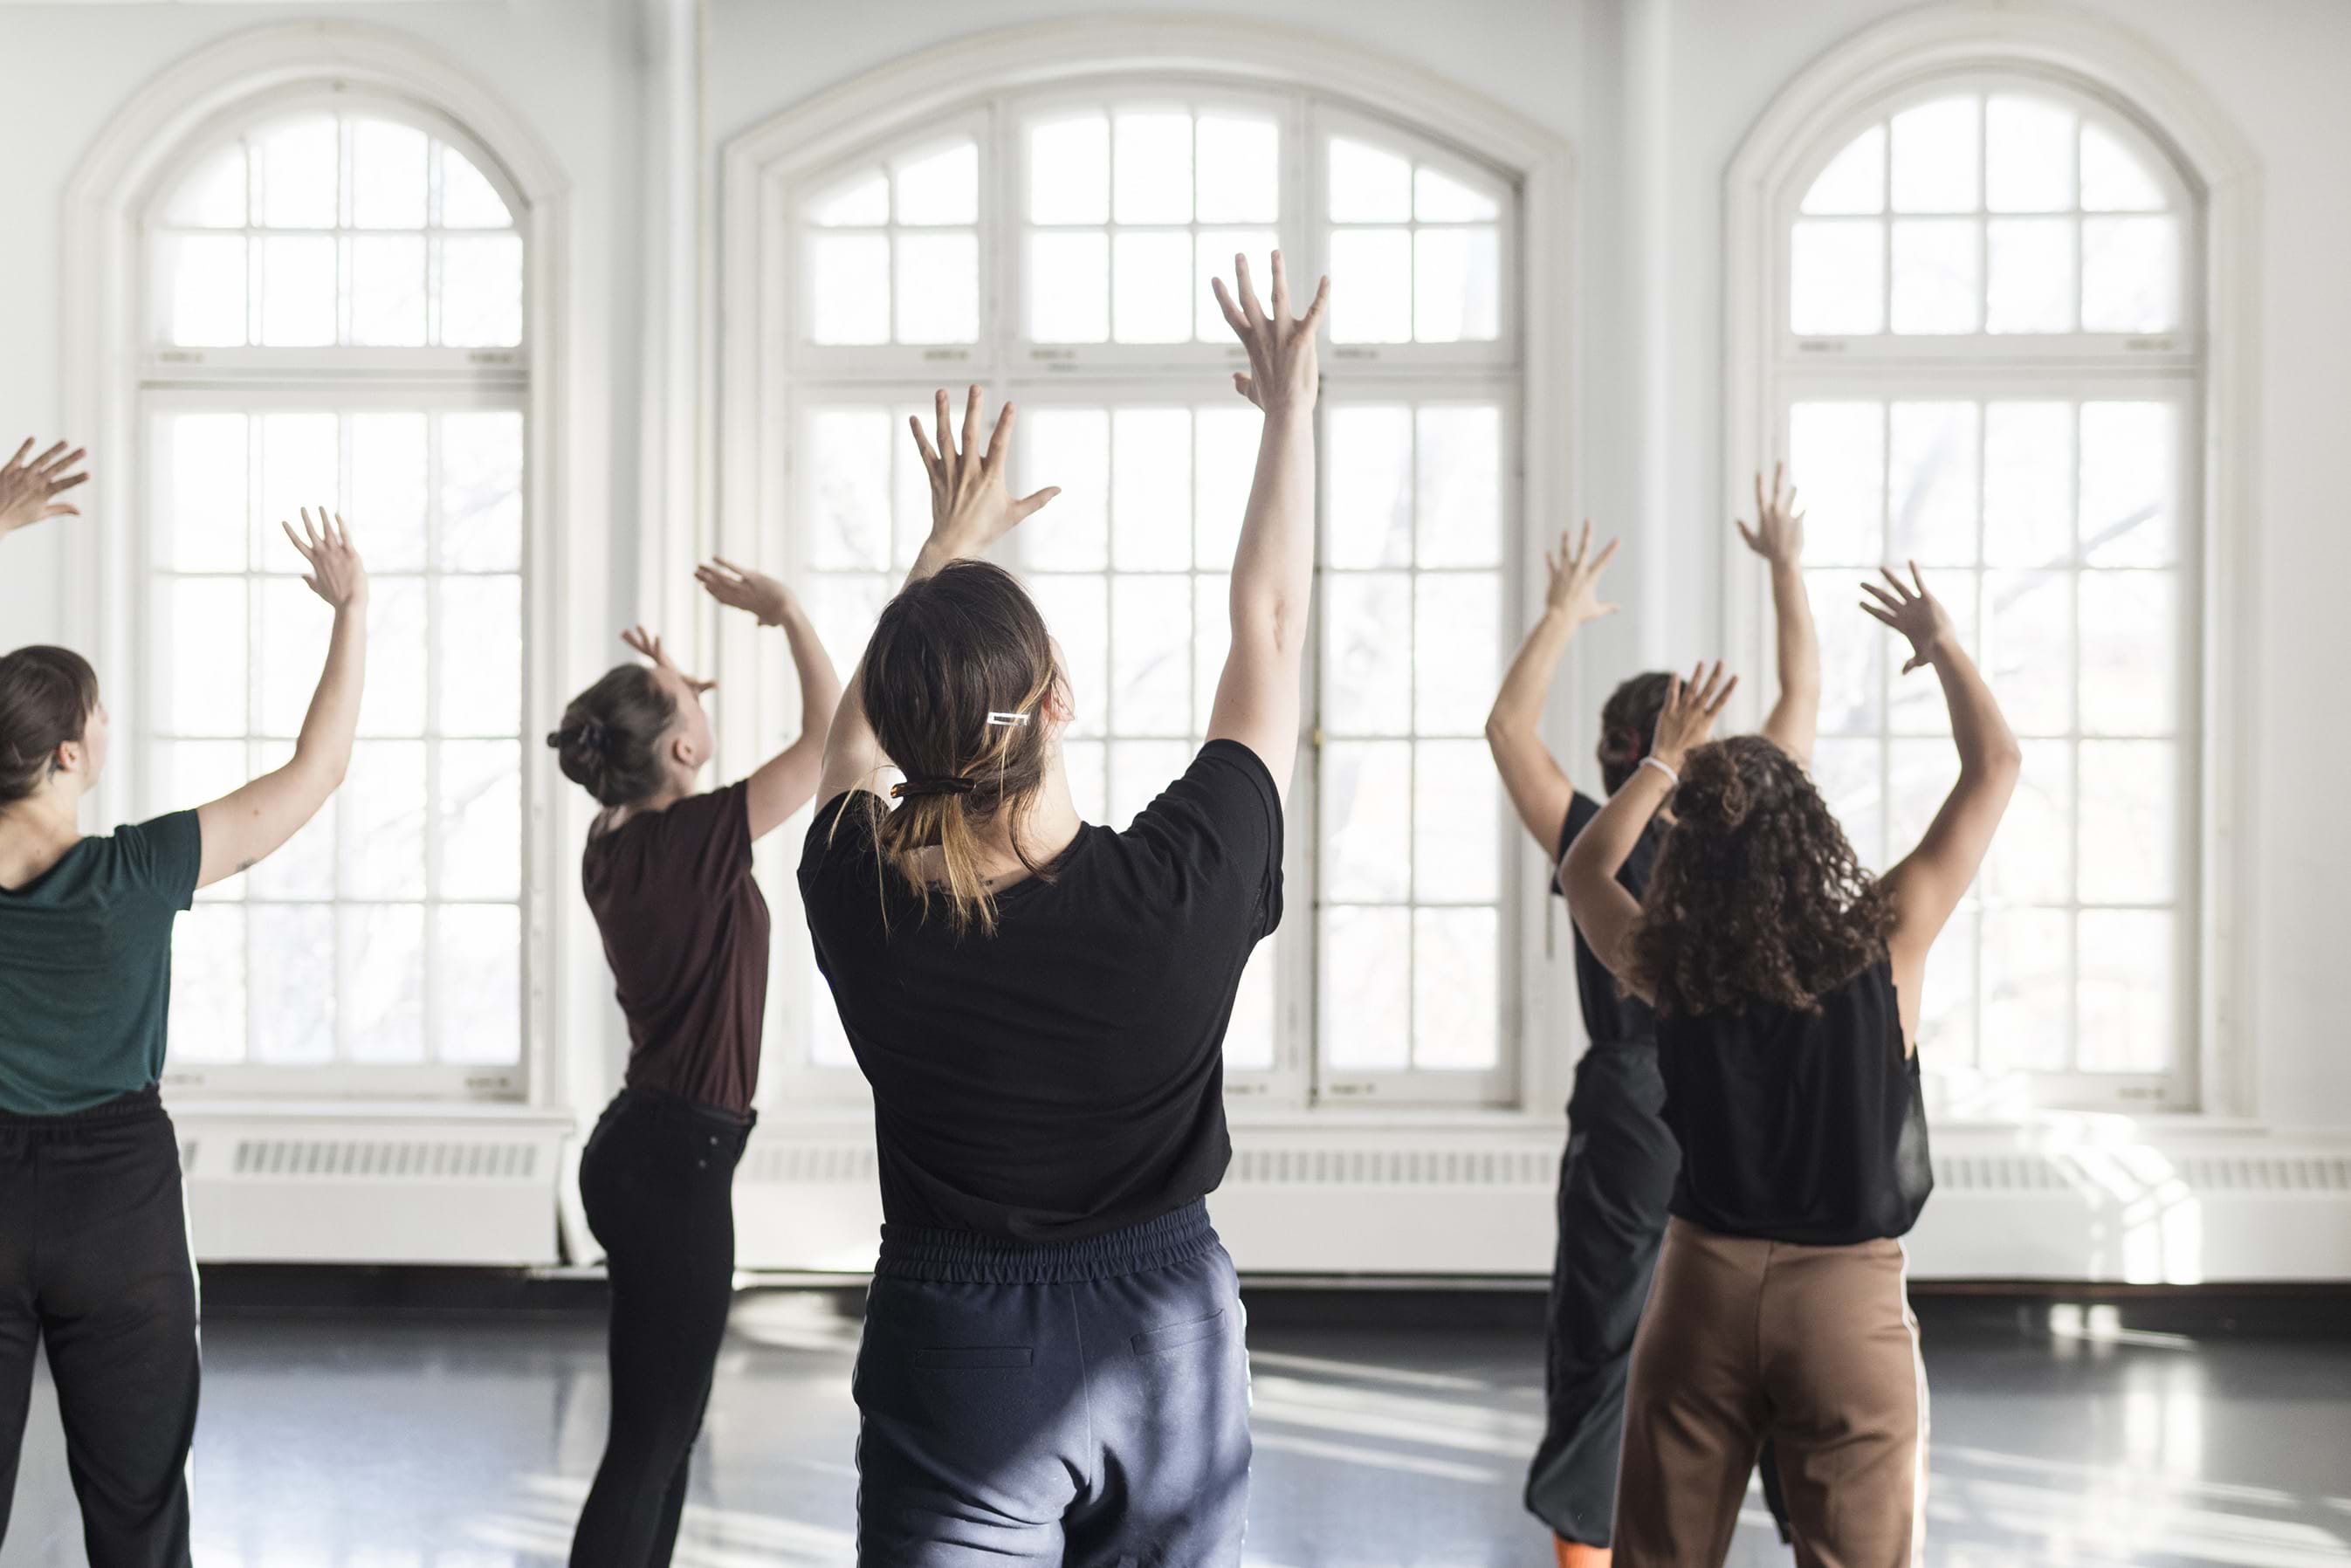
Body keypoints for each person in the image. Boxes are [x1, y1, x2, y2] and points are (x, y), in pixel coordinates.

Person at [797, 251, 1325, 1567]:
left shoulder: (858, 893)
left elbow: (845, 752)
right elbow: (1269, 627)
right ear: (1060, 698)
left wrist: (938, 561)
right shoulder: (1184, 885)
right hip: (1169, 1341)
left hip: (956, 1345)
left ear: (912, 733)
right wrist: (1289, 411)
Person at [1559, 567, 2019, 1567]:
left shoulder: (1670, 963)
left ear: (1695, 852)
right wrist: (1939, 642)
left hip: (1699, 1287)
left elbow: (1583, 867)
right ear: (1810, 830)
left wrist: (1661, 761)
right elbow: (1994, 765)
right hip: (1845, 1302)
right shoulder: (1885, 939)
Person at [0, 460, 367, 1568]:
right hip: (118, 1206)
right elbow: (320, 767)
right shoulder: (142, 868)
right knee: (140, 1518)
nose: (107, 728)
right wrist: (350, 609)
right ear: (68, 752)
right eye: (98, 716)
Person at [1486, 471, 1814, 1566]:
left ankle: (1588, 1545)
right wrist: (1785, 571)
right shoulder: (1740, 829)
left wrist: (1557, 617)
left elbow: (1506, 728)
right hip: (1732, 1096)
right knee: (1747, 1314)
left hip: (1635, 1098)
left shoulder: (1595, 830)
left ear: (1619, 748)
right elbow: (1802, 698)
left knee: (1604, 1320)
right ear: (1690, 735)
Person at [549, 563, 841, 1568]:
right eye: (687, 711)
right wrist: (787, 612)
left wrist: (669, 699)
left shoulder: (611, 839)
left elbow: (653, 771)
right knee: (653, 1440)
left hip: (640, 1153)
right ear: (678, 749)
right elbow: (829, 736)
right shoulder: (697, 838)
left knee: (661, 1433)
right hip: (676, 1166)